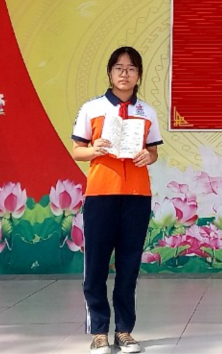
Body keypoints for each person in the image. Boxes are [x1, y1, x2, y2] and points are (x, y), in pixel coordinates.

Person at [70, 47, 162, 354]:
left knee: (129, 265)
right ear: (110, 72)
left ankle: (124, 330)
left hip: (137, 195)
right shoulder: (92, 108)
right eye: (119, 68)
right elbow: (77, 150)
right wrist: (94, 149)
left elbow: (154, 151)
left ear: (139, 75)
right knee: (96, 264)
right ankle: (99, 332)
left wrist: (147, 156)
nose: (125, 73)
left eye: (131, 68)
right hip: (101, 194)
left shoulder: (147, 112)